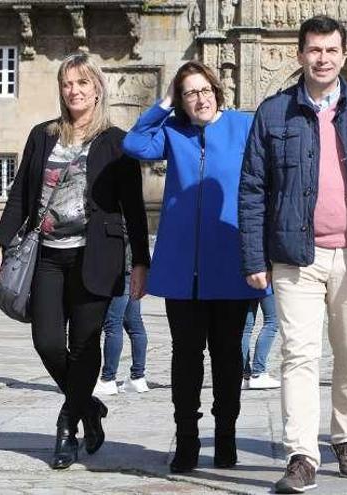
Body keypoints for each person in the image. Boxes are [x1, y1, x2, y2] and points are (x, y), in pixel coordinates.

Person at [240, 15, 347, 493]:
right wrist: (254, 257)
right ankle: (301, 454)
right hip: (297, 256)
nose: (322, 58)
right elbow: (253, 188)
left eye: (331, 50)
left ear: (343, 54)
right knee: (298, 355)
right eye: (314, 50)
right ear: (300, 55)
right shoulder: (274, 113)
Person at [0, 53, 150, 470]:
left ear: (97, 87)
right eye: (66, 83)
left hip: (99, 256)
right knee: (47, 342)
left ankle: (67, 424)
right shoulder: (43, 135)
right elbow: (21, 194)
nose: (73, 90)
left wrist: (141, 263)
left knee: (85, 345)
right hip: (48, 256)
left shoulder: (117, 141)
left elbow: (134, 207)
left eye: (81, 83)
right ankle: (89, 407)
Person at [123, 60, 268, 474]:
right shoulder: (172, 131)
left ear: (217, 91)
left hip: (231, 261)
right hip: (183, 266)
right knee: (186, 357)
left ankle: (226, 439)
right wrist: (164, 104)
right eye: (189, 93)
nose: (199, 98)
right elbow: (133, 144)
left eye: (204, 90)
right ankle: (186, 439)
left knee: (227, 358)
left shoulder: (244, 125)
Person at [94, 239, 149, 395]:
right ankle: (138, 377)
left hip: (121, 269)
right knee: (135, 325)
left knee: (113, 325)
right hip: (134, 268)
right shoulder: (137, 215)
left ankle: (108, 379)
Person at [241, 293, 281, 390]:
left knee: (246, 329)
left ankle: (243, 376)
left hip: (245, 283)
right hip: (266, 283)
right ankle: (258, 373)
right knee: (271, 322)